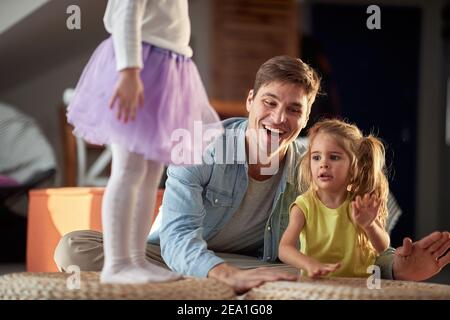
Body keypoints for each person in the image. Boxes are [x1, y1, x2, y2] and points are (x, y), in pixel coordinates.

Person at [56, 56, 450, 293]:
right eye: (270, 102)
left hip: (266, 265)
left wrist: (393, 265)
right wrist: (221, 271)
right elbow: (177, 239)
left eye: (294, 109)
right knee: (75, 249)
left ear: (308, 115)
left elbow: (357, 231)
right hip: (177, 257)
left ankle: (222, 290)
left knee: (303, 274)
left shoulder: (314, 161)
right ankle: (227, 286)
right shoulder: (199, 145)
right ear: (250, 100)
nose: (280, 118)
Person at [66, 0, 222, 284]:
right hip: (139, 65)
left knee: (150, 174)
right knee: (128, 169)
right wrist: (128, 71)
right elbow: (126, 12)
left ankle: (136, 259)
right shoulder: (132, 66)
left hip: (168, 68)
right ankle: (117, 263)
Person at [279, 119, 392, 277]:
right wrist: (309, 264)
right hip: (318, 286)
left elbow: (383, 247)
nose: (323, 164)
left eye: (334, 157)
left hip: (359, 288)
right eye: (316, 157)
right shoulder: (303, 205)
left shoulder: (360, 203)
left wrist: (370, 225)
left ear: (354, 168)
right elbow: (284, 248)